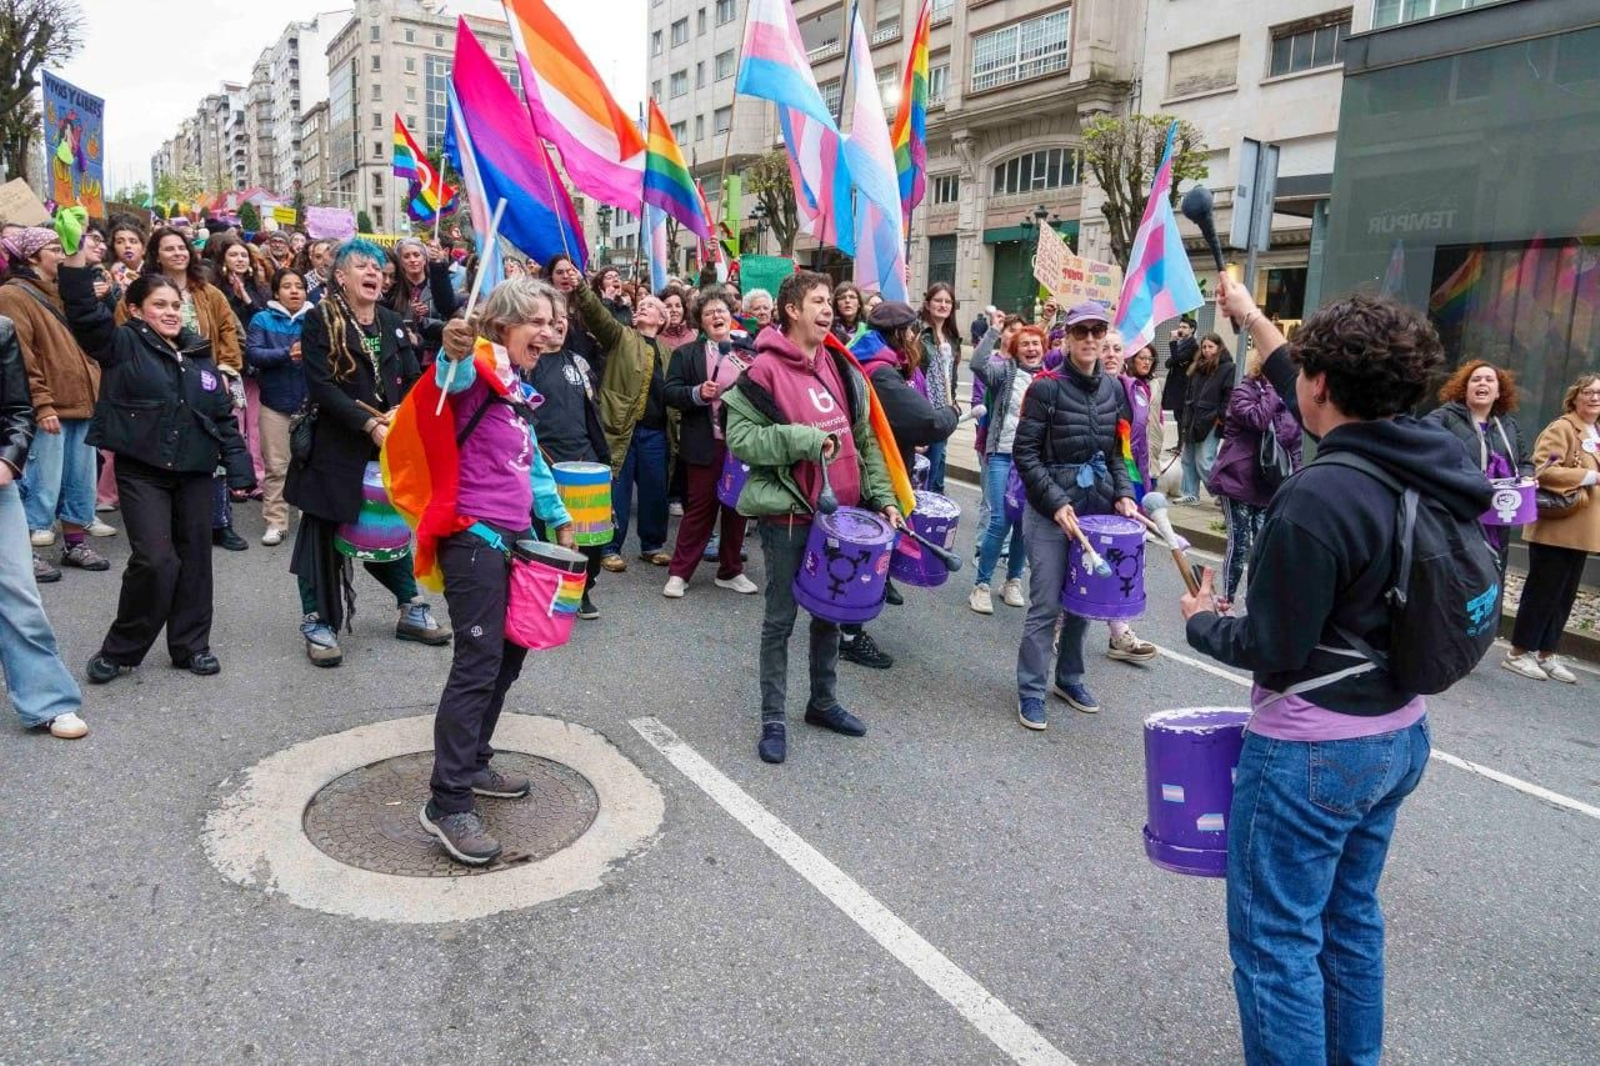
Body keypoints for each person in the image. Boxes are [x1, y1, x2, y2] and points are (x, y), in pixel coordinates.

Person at [1185, 275, 1489, 1066]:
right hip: (1400, 733)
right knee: (1350, 922)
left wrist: (1203, 625)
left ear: (1324, 388)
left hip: (1313, 751)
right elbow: (1300, 375)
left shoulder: (1319, 496)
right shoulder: (1433, 455)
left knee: (1277, 945)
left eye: (1306, 377)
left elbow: (1275, 650)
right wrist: (1251, 317)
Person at [411, 279, 577, 865]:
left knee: (511, 655)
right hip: (472, 541)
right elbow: (445, 380)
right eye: (535, 319)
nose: (549, 329)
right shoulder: (474, 369)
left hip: (516, 541)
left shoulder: (512, 387)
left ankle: (475, 760)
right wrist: (452, 349)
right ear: (501, 324)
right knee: (477, 664)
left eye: (553, 319)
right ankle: (447, 801)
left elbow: (526, 462)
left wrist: (556, 517)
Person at [722, 270, 901, 764]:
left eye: (831, 302)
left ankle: (823, 702)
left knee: (831, 613)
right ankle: (773, 719)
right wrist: (801, 439)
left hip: (842, 519)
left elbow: (863, 439)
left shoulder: (840, 365)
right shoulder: (762, 371)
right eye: (819, 301)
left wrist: (882, 497)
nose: (829, 309)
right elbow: (742, 440)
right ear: (793, 310)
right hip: (791, 518)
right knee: (781, 620)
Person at [60, 242, 255, 684]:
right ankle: (122, 649)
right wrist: (75, 259)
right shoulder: (123, 342)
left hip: (195, 472)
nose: (170, 312)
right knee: (154, 560)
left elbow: (222, 416)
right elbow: (84, 317)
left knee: (195, 561)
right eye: (159, 305)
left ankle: (191, 646)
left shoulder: (199, 354)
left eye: (176, 305)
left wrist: (239, 467)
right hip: (142, 470)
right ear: (135, 309)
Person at [285, 239, 450, 667]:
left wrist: (401, 412)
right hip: (334, 447)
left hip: (385, 448)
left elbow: (413, 377)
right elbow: (321, 385)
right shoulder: (321, 320)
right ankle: (318, 619)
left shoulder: (393, 322)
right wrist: (368, 423)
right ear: (340, 276)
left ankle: (409, 606)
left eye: (378, 267)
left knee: (384, 531)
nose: (374, 272)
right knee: (322, 536)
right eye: (362, 265)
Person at [1011, 301, 1139, 730]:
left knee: (1085, 603)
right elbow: (1024, 454)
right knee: (1046, 604)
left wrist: (1123, 495)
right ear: (1065, 337)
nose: (1089, 340)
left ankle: (1069, 679)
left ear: (1104, 337)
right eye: (1081, 332)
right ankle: (1030, 690)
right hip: (1049, 512)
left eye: (1096, 332)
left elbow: (1117, 453)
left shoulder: (1117, 389)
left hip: (1095, 510)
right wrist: (1055, 501)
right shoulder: (1045, 387)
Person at [846, 299, 961, 669]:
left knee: (864, 550)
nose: (917, 339)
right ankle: (849, 633)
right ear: (900, 334)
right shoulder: (881, 372)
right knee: (866, 551)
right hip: (874, 475)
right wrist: (952, 413)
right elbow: (928, 421)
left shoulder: (875, 362)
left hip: (872, 469)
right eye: (913, 331)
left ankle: (845, 623)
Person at [0, 227, 113, 577]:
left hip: (81, 402)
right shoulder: (12, 295)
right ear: (31, 257)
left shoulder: (62, 292)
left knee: (79, 480)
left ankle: (75, 543)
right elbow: (22, 357)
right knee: (40, 483)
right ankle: (27, 551)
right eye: (52, 247)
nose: (61, 253)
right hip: (50, 407)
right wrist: (41, 404)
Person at [0, 294, 89, 737]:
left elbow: (17, 411)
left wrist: (9, 459)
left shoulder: (1, 330)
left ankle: (48, 700)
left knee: (18, 593)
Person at [130, 226, 249, 551]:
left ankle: (221, 523)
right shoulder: (141, 291)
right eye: (169, 249)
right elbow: (123, 334)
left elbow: (228, 330)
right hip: (159, 389)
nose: (178, 253)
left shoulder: (208, 292)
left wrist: (225, 368)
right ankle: (164, 526)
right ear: (156, 255)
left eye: (182, 247)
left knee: (216, 454)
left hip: (205, 384)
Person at [1502, 373, 1600, 684]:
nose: (1595, 398)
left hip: (1582, 529)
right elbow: (1544, 467)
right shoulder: (1562, 427)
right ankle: (1518, 652)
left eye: (1599, 394)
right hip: (1556, 526)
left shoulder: (1595, 431)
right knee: (1543, 591)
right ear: (1575, 397)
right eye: (1589, 392)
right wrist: (1589, 477)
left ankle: (1546, 652)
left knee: (1564, 595)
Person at [570, 277, 672, 573]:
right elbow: (597, 315)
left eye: (651, 306)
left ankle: (652, 545)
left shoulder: (669, 353)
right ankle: (609, 547)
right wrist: (581, 288)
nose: (642, 308)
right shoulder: (620, 336)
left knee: (655, 490)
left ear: (662, 319)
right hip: (619, 427)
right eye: (641, 305)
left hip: (655, 433)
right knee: (617, 489)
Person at [662, 287, 756, 598]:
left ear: (731, 316)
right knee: (699, 510)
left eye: (722, 311)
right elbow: (670, 391)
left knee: (737, 508)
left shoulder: (748, 351)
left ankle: (730, 571)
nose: (716, 316)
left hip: (740, 444)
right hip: (705, 444)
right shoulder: (686, 354)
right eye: (709, 313)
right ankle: (680, 572)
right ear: (700, 322)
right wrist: (697, 393)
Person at [522, 300, 610, 620]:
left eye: (563, 318)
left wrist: (603, 458)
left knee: (592, 538)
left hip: (584, 462)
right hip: (545, 461)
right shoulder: (526, 365)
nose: (558, 323)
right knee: (548, 534)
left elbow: (593, 413)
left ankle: (583, 589)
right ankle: (546, 592)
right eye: (551, 318)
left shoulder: (579, 362)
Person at [1206, 344, 1302, 613]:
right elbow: (1258, 420)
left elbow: (1294, 444)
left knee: (1262, 544)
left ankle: (1257, 600)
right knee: (1239, 543)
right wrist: (1272, 389)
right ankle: (1226, 599)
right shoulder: (1244, 392)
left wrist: (1295, 479)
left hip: (1267, 484)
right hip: (1236, 481)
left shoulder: (1289, 402)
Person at [1424, 360, 1531, 576]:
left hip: (1499, 517)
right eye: (1476, 379)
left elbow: (1525, 462)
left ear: (1498, 392)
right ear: (1465, 389)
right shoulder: (1442, 418)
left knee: (1494, 574)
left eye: (1489, 379)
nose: (1482, 383)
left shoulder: (1508, 425)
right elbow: (1425, 454)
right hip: (1458, 515)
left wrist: (1528, 478)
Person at [968, 324, 1045, 615]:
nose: (1031, 349)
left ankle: (1013, 581)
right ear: (1015, 348)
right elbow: (977, 364)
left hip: (1033, 461)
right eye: (1025, 344)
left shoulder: (1049, 378)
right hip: (1002, 455)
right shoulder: (1005, 372)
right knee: (1000, 521)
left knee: (1024, 525)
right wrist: (992, 333)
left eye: (1036, 343)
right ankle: (982, 585)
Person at [245, 268, 311, 547]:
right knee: (277, 466)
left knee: (311, 465)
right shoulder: (262, 318)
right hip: (275, 404)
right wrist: (287, 353)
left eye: (299, 286)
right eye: (287, 286)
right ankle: (276, 521)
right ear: (276, 292)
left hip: (311, 404)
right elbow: (254, 354)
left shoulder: (316, 317)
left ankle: (311, 518)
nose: (294, 291)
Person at [207, 234, 270, 497]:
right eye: (233, 255)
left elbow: (263, 319)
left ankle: (257, 478)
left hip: (254, 366)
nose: (240, 259)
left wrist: (245, 295)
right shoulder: (214, 291)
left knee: (255, 423)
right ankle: (237, 478)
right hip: (228, 366)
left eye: (243, 255)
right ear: (223, 261)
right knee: (234, 419)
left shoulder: (259, 289)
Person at [1177, 332, 1234, 504]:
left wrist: (1220, 417)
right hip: (1193, 418)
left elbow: (1229, 394)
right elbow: (1189, 392)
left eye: (1211, 347)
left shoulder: (1228, 367)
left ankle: (1221, 494)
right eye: (1204, 347)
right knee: (1188, 458)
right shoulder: (1198, 367)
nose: (1207, 350)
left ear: (1219, 347)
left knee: (1204, 460)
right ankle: (1190, 493)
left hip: (1211, 419)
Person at [918, 282, 962, 492]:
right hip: (924, 413)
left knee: (936, 475)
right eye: (938, 300)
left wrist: (953, 404)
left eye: (948, 301)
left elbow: (951, 377)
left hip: (944, 414)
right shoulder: (917, 332)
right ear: (928, 304)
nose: (943, 305)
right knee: (923, 475)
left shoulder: (952, 339)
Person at [1161, 315, 1197, 440]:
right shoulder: (1182, 344)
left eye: (1184, 327)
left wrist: (1172, 342)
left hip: (1183, 385)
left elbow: (1176, 359)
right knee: (1177, 415)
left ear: (1192, 329)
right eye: (1180, 326)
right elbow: (1169, 362)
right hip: (1176, 384)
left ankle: (1182, 444)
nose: (1181, 329)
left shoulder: (1193, 345)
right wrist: (1174, 360)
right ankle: (1179, 444)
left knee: (1182, 415)